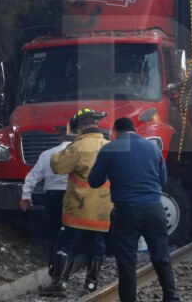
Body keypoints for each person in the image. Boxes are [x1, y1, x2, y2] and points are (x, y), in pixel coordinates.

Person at [89, 117, 181, 302]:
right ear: (134, 130)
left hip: (126, 211)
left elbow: (94, 181)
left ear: (115, 132)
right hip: (154, 209)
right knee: (161, 256)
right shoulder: (152, 148)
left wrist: (112, 172)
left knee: (127, 262)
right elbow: (162, 180)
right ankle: (171, 297)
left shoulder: (110, 148)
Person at [38, 108, 112, 296]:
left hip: (77, 209)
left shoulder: (78, 146)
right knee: (98, 244)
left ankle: (59, 283)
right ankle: (91, 285)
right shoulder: (108, 145)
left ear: (79, 126)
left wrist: (66, 145)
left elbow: (57, 166)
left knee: (66, 244)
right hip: (102, 209)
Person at [19, 133, 70, 271]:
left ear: (60, 138)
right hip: (73, 195)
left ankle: (54, 265)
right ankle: (67, 266)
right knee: (70, 231)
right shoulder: (80, 153)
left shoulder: (47, 154)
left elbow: (33, 176)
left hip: (52, 195)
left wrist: (26, 195)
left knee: (54, 231)